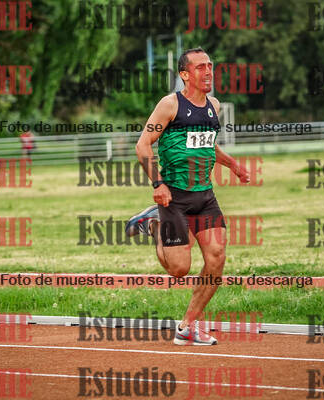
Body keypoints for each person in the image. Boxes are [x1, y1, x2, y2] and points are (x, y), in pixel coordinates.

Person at [126, 48, 250, 345]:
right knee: (179, 269)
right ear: (184, 74)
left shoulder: (214, 106)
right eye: (200, 67)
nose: (208, 72)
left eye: (210, 66)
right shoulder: (170, 105)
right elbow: (143, 145)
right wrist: (158, 184)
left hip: (204, 196)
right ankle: (154, 224)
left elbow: (207, 145)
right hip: (174, 197)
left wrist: (232, 165)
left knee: (216, 259)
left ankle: (187, 326)